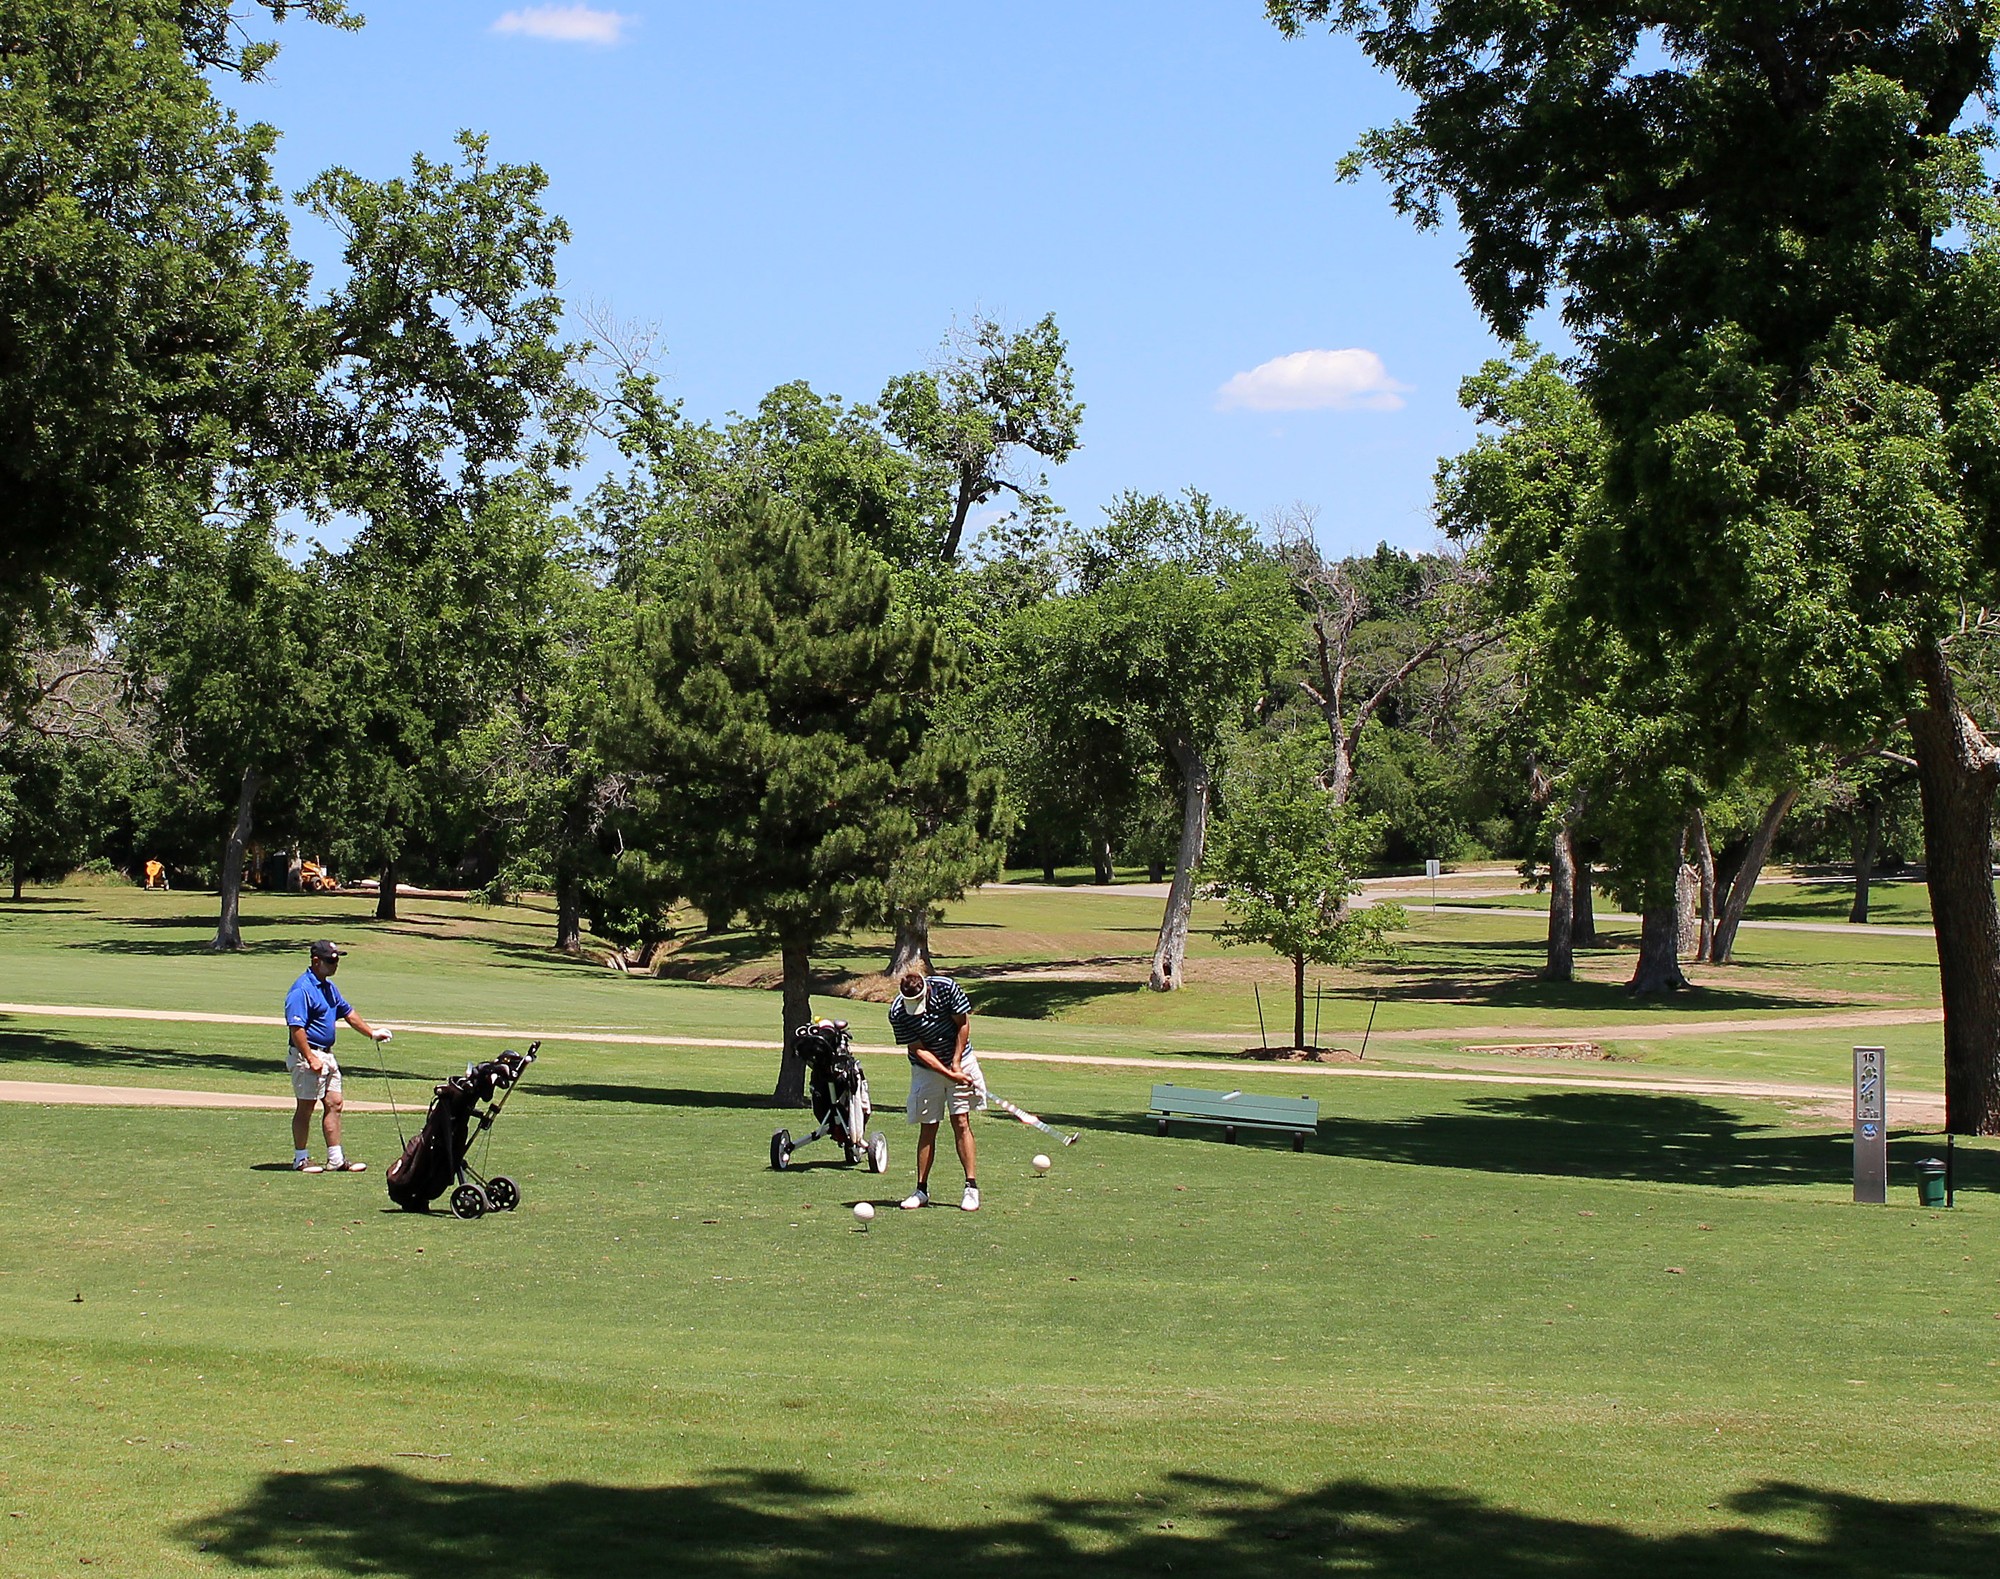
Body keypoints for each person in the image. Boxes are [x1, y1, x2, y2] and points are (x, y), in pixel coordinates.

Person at [284, 939, 391, 1173]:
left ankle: (336, 1158)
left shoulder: (329, 988)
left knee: (335, 1103)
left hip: (327, 1056)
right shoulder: (301, 989)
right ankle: (300, 1158)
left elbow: (348, 1013)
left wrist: (372, 1033)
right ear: (315, 961)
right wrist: (310, 1057)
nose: (335, 964)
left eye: (337, 959)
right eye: (331, 960)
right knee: (306, 1106)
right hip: (307, 1055)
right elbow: (296, 1028)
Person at [887, 968, 983, 1211]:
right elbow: (917, 1049)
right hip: (926, 1069)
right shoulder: (898, 1012)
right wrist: (949, 1074)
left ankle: (971, 1188)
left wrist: (957, 1063)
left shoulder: (946, 987)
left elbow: (963, 1024)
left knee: (961, 1120)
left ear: (926, 989)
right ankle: (921, 1190)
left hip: (961, 1058)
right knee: (928, 1125)